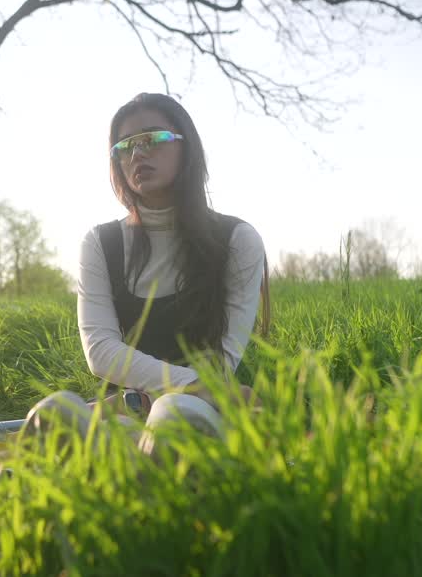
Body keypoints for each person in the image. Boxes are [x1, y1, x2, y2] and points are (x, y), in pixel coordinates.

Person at [22, 92, 270, 457]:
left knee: (174, 414)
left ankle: (138, 480)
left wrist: (193, 393)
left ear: (187, 148)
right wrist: (174, 389)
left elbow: (221, 361)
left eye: (153, 138)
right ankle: (129, 475)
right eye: (124, 146)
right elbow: (101, 352)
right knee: (55, 411)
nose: (137, 153)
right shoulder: (100, 243)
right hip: (124, 408)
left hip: (200, 410)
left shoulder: (237, 240)